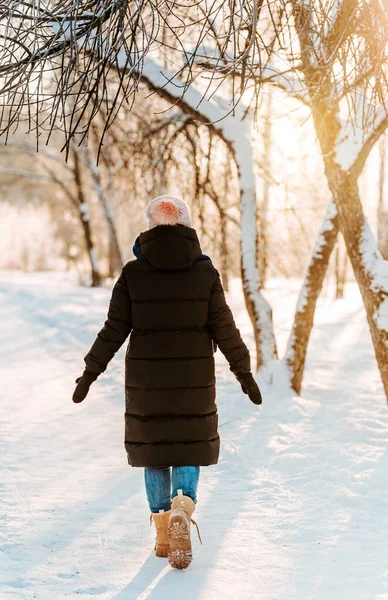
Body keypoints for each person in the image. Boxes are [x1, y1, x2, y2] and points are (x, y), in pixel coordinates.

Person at [72, 195, 262, 570]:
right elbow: (225, 328)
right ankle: (183, 507)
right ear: (187, 225)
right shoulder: (205, 272)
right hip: (194, 381)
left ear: (149, 227)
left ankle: (163, 534)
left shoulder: (133, 273)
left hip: (147, 383)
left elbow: (113, 331)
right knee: (189, 447)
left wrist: (90, 373)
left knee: (154, 450)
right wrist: (243, 372)